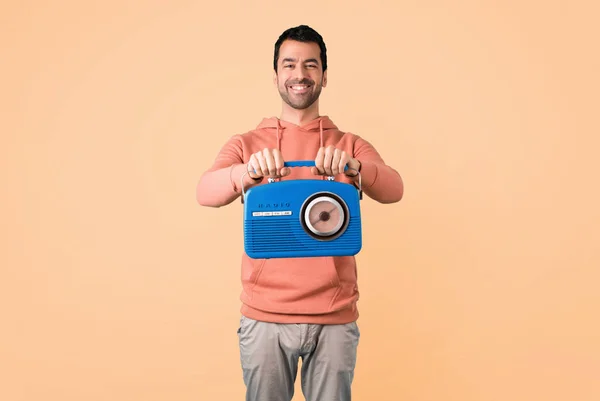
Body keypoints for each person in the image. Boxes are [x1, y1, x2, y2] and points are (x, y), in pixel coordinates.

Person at [196, 25, 404, 401]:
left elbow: (394, 189)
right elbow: (205, 192)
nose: (300, 74)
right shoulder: (246, 144)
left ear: (324, 76)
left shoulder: (348, 144)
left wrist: (356, 167)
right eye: (289, 64)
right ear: (276, 74)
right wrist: (248, 172)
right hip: (265, 315)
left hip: (335, 315)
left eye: (311, 65)